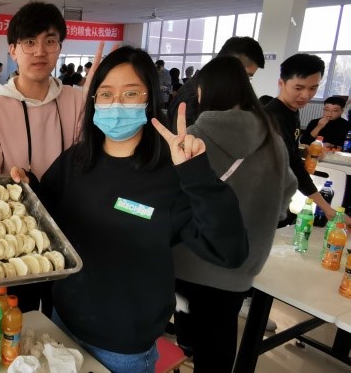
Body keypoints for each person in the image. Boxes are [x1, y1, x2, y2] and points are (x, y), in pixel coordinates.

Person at [14, 46, 248, 373]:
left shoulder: (171, 174)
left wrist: (199, 175)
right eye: (106, 94)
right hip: (62, 325)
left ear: (149, 99)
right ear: (94, 100)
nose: (116, 104)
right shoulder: (76, 160)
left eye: (130, 93)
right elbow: (46, 214)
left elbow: (230, 251)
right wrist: (25, 184)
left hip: (123, 349)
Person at [172, 56, 297, 372]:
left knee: (189, 332)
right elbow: (289, 187)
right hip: (245, 263)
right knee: (221, 335)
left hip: (194, 258)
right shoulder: (272, 137)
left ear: (205, 91)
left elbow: (173, 193)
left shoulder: (196, 134)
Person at [0, 0, 88, 316]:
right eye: (29, 42)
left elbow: (88, 162)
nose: (40, 52)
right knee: (15, 321)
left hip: (70, 231)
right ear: (12, 50)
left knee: (65, 321)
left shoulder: (76, 102)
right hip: (15, 240)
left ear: (60, 47)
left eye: (50, 41)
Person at [265, 54, 345, 226]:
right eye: (298, 87)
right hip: (262, 194)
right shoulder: (275, 116)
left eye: (313, 88)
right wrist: (327, 208)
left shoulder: (290, 110)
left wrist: (305, 150)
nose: (306, 95)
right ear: (281, 83)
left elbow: (290, 149)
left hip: (278, 190)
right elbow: (291, 163)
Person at [169, 36, 265, 129]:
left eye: (248, 78)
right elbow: (185, 138)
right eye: (243, 75)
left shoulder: (210, 93)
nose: (244, 83)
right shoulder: (192, 97)